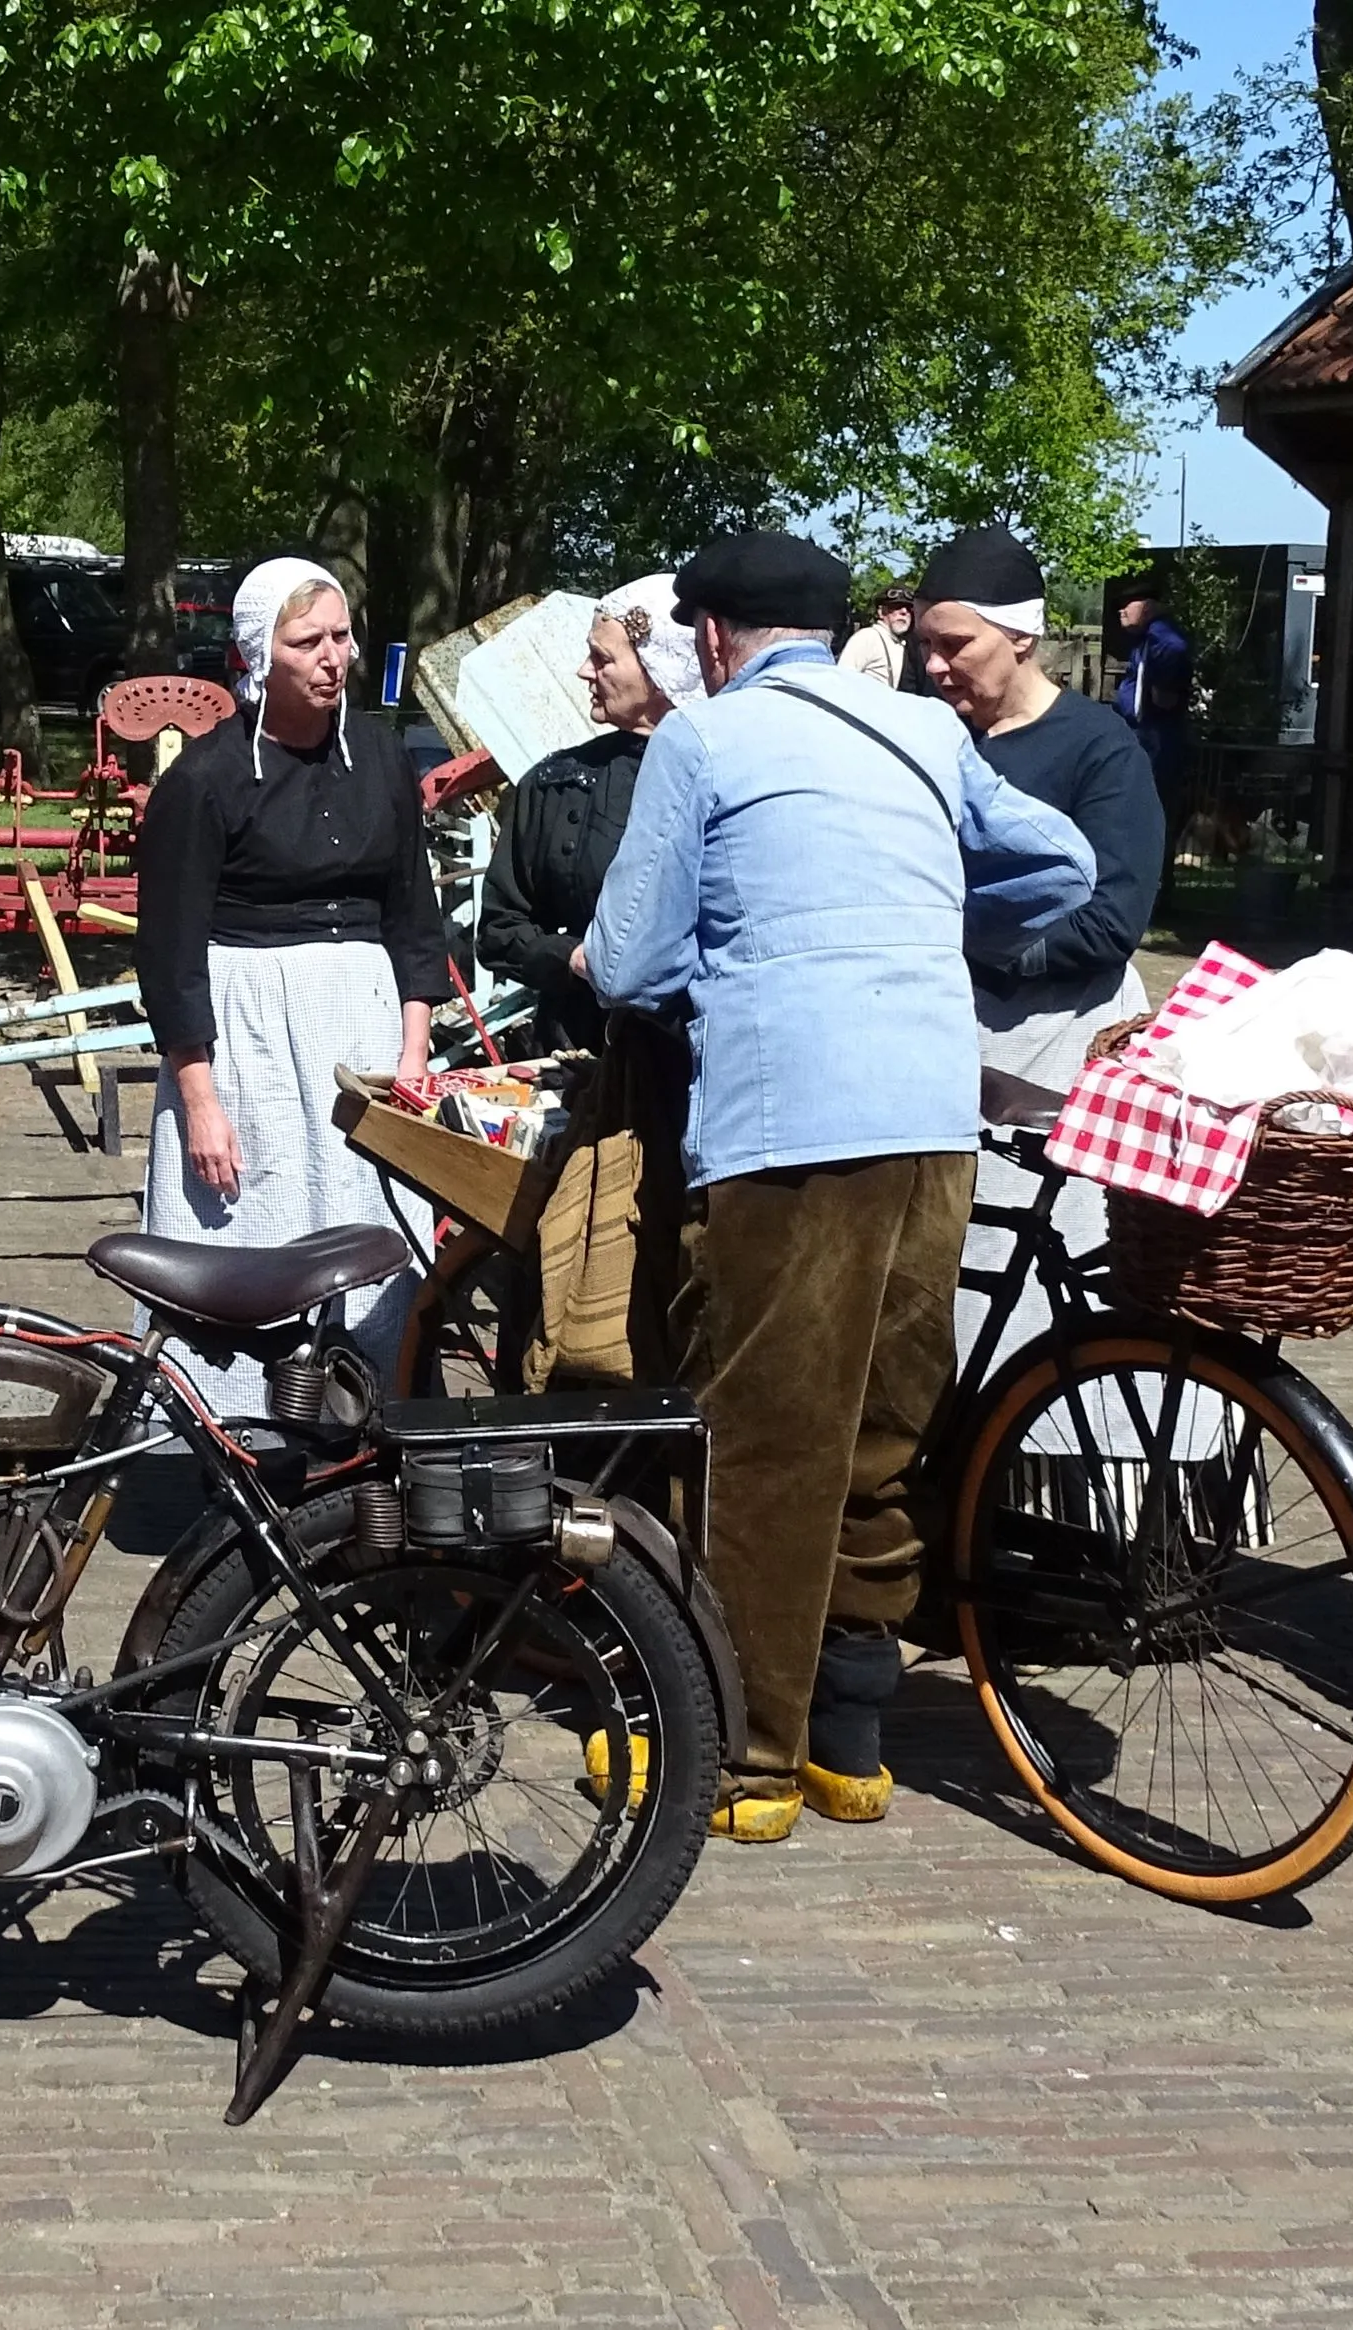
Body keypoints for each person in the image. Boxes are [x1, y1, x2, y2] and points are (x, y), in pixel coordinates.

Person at [586, 531, 1095, 1841]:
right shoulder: (921, 733)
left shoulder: (702, 741)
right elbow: (1064, 867)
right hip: (930, 1112)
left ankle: (742, 1761)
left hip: (783, 1120)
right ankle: (847, 1739)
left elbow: (629, 961)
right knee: (878, 1426)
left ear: (708, 638)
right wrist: (925, 935)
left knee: (760, 1438)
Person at [134, 556, 451, 1416]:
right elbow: (168, 956)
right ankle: (237, 1433)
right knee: (254, 1220)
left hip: (363, 1027)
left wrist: (413, 1053)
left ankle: (368, 1416)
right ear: (256, 656)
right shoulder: (204, 779)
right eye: (306, 640)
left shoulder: (381, 758)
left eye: (341, 636)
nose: (331, 656)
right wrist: (199, 1100)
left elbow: (412, 916)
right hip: (248, 1041)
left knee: (369, 1221)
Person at [910, 524, 1165, 1358]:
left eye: (955, 645)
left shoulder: (1097, 748)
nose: (935, 665)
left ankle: (1045, 1472)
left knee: (1042, 1288)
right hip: (943, 1042)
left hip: (1056, 1045)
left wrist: (983, 950)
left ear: (1019, 637)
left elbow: (1112, 918)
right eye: (924, 647)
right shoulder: (926, 739)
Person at [476, 573, 703, 1053]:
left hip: (701, 1057)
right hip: (579, 1052)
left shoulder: (725, 774)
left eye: (602, 658)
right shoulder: (560, 782)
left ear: (659, 668)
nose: (583, 670)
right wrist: (576, 958)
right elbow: (499, 930)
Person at [1112, 578, 1195, 827]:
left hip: (1156, 738)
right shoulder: (1145, 641)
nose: (1121, 610)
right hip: (1140, 734)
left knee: (1152, 809)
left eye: (1128, 604)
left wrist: (1163, 687)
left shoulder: (1162, 638)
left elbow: (1166, 693)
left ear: (1147, 607)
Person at [836, 584, 914, 687]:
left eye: (909, 608)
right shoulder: (867, 637)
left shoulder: (908, 644)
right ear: (881, 612)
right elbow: (842, 679)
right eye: (896, 607)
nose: (904, 612)